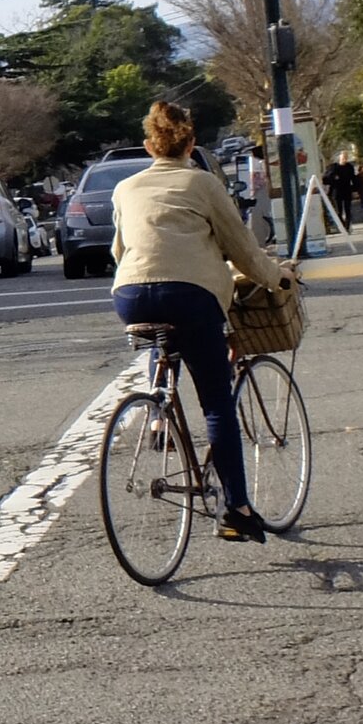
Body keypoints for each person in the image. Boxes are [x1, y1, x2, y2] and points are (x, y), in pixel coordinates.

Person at [112, 99, 293, 543]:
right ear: (190, 144)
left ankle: (159, 410)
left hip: (130, 295)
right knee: (216, 402)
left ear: (148, 147)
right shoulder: (204, 183)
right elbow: (243, 250)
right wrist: (277, 280)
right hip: (192, 296)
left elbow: (119, 251)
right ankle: (237, 509)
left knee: (165, 330)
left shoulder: (125, 188)